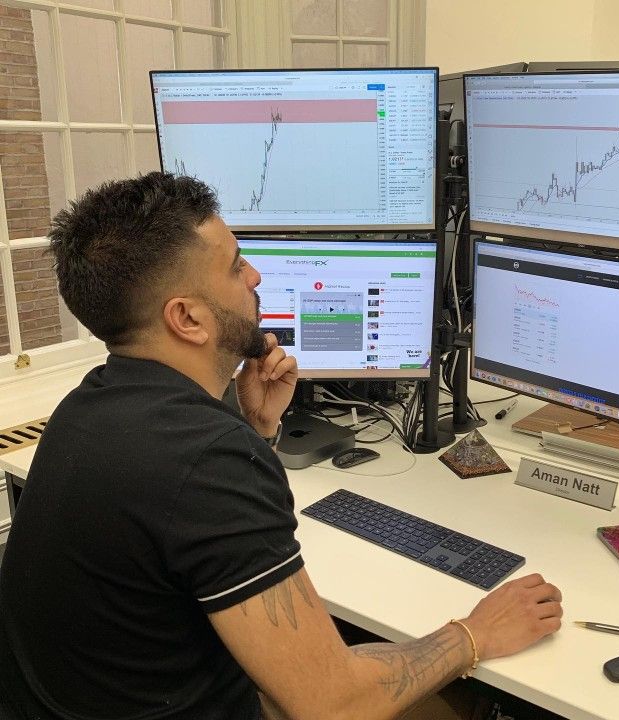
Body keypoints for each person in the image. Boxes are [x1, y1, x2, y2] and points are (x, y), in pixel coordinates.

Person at [0, 172, 563, 720]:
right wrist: (476, 633)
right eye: (236, 264)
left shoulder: (87, 407)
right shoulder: (207, 460)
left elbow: (189, 530)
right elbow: (333, 705)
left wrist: (256, 429)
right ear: (187, 317)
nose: (256, 275)